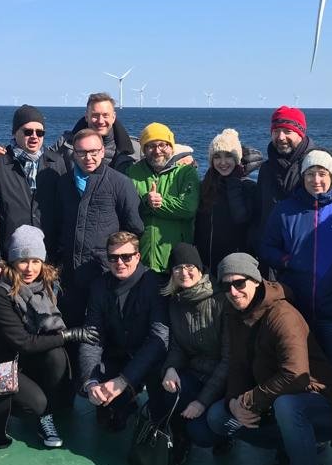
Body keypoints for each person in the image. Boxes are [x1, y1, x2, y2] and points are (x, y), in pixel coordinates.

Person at [206, 252, 332, 465]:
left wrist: (248, 400)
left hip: (323, 404)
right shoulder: (234, 314)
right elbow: (237, 366)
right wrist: (234, 403)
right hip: (275, 402)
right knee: (217, 418)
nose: (233, 292)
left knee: (288, 406)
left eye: (239, 283)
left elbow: (295, 376)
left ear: (256, 280)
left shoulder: (282, 315)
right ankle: (287, 450)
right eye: (226, 286)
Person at [259, 148, 332, 465]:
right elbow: (267, 247)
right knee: (291, 378)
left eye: (322, 173)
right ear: (302, 177)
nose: (316, 179)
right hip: (297, 314)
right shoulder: (286, 210)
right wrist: (288, 261)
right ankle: (287, 452)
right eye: (310, 174)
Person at [0, 225, 98, 448]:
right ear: (12, 262)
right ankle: (16, 413)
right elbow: (24, 343)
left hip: (22, 362)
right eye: (23, 261)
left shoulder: (45, 288)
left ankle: (45, 415)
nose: (29, 268)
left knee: (57, 356)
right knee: (38, 403)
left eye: (35, 261)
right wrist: (69, 335)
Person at [54, 129, 143, 332]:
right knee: (71, 327)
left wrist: (117, 260)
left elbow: (135, 227)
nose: (88, 157)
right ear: (74, 153)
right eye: (82, 152)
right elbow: (58, 222)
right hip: (69, 273)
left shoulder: (120, 183)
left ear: (103, 151)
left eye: (94, 152)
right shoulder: (64, 183)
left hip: (104, 271)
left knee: (104, 329)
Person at [79, 232, 169, 431]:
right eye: (113, 258)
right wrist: (91, 381)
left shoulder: (154, 284)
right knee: (110, 420)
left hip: (149, 361)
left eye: (126, 257)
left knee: (161, 413)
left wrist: (124, 380)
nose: (119, 262)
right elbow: (92, 336)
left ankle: (155, 412)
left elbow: (159, 339)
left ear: (138, 256)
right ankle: (128, 402)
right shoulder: (99, 287)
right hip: (117, 356)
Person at [155, 243, 228, 465]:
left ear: (199, 268)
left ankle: (225, 436)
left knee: (202, 432)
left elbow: (229, 360)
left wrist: (201, 402)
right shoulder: (176, 302)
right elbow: (178, 346)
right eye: (177, 267)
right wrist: (170, 368)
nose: (184, 272)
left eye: (189, 266)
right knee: (170, 390)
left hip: (223, 381)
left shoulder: (221, 300)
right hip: (196, 372)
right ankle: (180, 439)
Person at [0, 104, 65, 254]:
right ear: (14, 132)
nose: (34, 136)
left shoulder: (56, 162)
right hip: (10, 251)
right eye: (28, 131)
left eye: (40, 132)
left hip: (47, 251)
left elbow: (63, 208)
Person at [128, 122, 199, 272]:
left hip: (176, 259)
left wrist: (159, 204)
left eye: (162, 145)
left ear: (171, 147)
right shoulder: (132, 173)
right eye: (150, 146)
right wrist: (146, 202)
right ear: (143, 149)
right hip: (142, 258)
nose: (157, 150)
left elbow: (188, 208)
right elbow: (128, 209)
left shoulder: (186, 172)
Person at [253, 106, 312, 265]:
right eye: (276, 131)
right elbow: (259, 210)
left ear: (300, 133)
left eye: (287, 131)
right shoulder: (266, 169)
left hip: (307, 257)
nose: (280, 137)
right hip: (270, 256)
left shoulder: (318, 167)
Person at [195, 128, 256, 273]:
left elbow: (241, 218)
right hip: (207, 262)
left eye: (228, 156)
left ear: (237, 159)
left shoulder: (248, 187)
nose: (222, 162)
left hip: (235, 265)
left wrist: (234, 183)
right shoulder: (206, 186)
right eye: (217, 157)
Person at [50, 92, 137, 174]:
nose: (100, 121)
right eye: (95, 115)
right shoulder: (64, 144)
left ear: (113, 117)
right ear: (86, 117)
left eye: (105, 115)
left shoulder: (135, 150)